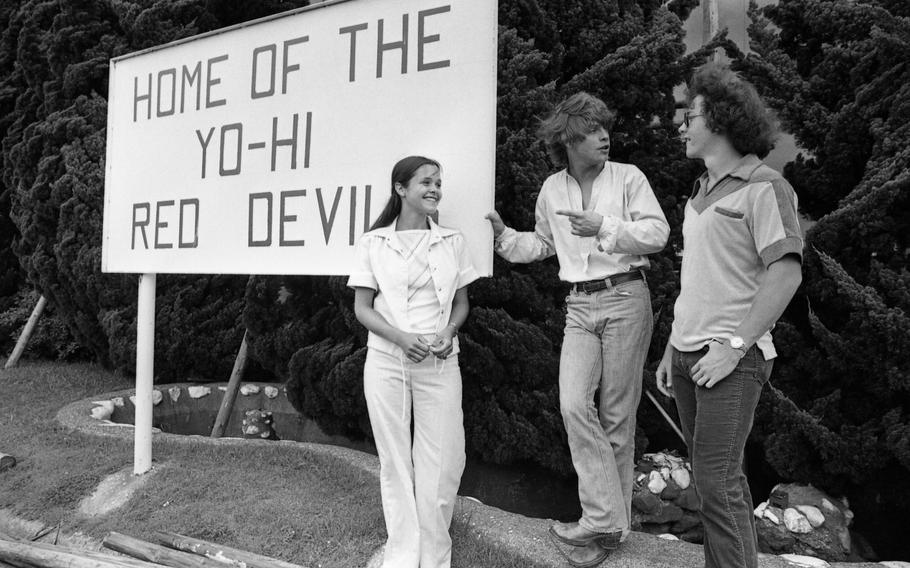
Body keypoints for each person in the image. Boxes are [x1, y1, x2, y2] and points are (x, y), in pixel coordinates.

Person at [486, 92, 670, 567]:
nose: (604, 136)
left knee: (616, 414)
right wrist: (503, 237)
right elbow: (543, 244)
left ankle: (604, 532)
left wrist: (605, 227)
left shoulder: (629, 177)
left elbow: (658, 233)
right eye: (591, 130)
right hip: (579, 306)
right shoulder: (551, 189)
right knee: (572, 403)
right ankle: (607, 519)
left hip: (627, 295)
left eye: (604, 127)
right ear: (568, 139)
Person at [655, 62, 803, 568]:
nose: (682, 125)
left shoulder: (766, 186)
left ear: (718, 119)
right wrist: (673, 345)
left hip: (733, 358)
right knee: (714, 482)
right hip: (690, 354)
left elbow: (785, 275)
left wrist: (734, 346)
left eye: (690, 116)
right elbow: (701, 279)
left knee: (717, 484)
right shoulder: (699, 192)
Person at [348, 156, 479, 568]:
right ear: (401, 189)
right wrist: (402, 338)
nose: (435, 189)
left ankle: (435, 557)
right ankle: (402, 556)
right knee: (395, 460)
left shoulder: (452, 241)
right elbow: (363, 309)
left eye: (439, 183)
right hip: (387, 361)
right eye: (426, 182)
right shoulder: (373, 242)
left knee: (442, 463)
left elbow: (461, 303)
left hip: (440, 363)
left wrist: (449, 332)